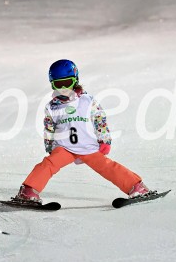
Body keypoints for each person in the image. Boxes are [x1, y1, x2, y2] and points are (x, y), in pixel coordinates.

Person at [11, 59, 152, 204]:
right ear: (52, 84)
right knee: (48, 164)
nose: (63, 88)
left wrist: (104, 140)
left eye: (67, 82)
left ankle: (136, 187)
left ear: (75, 80)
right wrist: (49, 145)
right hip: (64, 147)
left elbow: (99, 120)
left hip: (87, 146)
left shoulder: (87, 101)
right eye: (58, 84)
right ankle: (28, 191)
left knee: (107, 167)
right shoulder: (52, 107)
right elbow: (49, 127)